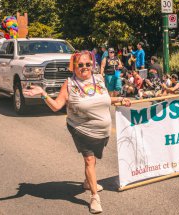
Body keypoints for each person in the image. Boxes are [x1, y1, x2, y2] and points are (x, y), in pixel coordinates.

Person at [23, 51, 131, 214]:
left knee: (93, 160)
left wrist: (121, 99)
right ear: (74, 67)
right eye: (80, 65)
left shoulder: (99, 79)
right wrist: (43, 94)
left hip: (102, 130)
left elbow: (105, 99)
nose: (85, 67)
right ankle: (94, 197)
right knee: (89, 159)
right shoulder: (70, 83)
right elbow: (56, 106)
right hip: (81, 129)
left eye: (88, 64)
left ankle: (88, 182)